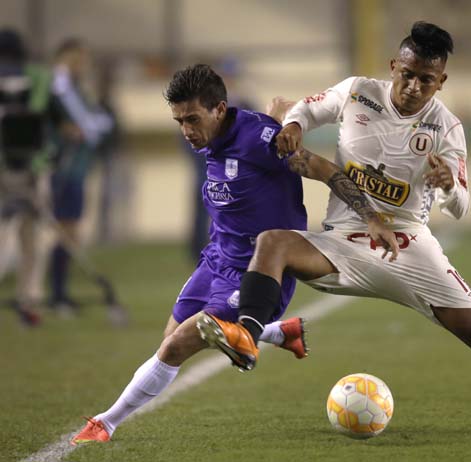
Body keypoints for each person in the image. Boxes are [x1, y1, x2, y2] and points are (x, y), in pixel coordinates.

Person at [207, 22, 471, 433]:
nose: (413, 87)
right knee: (273, 243)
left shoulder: (447, 128)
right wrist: (296, 123)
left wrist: (449, 185)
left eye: (425, 80)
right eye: (407, 75)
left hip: (410, 247)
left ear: (440, 81)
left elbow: (462, 205)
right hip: (341, 241)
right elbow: (308, 108)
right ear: (393, 65)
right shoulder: (358, 92)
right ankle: (247, 337)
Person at [71, 64, 398, 445]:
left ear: (219, 109)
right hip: (216, 258)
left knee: (177, 346)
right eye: (179, 121)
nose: (187, 131)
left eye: (193, 119)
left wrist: (373, 217)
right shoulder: (214, 138)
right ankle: (280, 334)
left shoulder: (264, 142)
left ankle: (104, 423)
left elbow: (326, 170)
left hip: (256, 270)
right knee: (171, 337)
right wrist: (275, 114)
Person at [48, 38, 114, 313]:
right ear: (67, 57)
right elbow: (90, 126)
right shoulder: (60, 86)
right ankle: (57, 293)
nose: (84, 65)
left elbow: (100, 123)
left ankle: (59, 292)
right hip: (64, 168)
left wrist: (91, 126)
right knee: (66, 230)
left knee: (70, 230)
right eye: (80, 58)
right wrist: (86, 127)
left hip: (77, 167)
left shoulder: (76, 89)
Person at [0, 28, 52, 326]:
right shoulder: (36, 75)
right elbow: (38, 110)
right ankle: (29, 300)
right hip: (30, 163)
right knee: (30, 238)